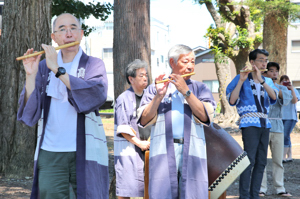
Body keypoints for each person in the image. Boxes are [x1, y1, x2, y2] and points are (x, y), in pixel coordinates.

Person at [17, 13, 109, 199]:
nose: (69, 33)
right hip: (50, 151)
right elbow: (30, 112)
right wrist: (30, 75)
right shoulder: (43, 67)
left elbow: (96, 95)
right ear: (54, 37)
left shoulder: (93, 64)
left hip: (86, 150)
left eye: (73, 28)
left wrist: (57, 70)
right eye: (62, 29)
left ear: (81, 33)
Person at [138, 44, 216, 198]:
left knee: (193, 193)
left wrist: (186, 92)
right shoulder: (155, 88)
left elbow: (206, 117)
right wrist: (159, 96)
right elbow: (144, 119)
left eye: (192, 62)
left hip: (192, 148)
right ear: (172, 63)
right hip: (163, 150)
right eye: (185, 61)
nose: (190, 66)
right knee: (163, 192)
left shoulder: (200, 88)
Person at [226, 49, 277, 199]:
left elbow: (273, 97)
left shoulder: (267, 80)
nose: (264, 63)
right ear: (252, 62)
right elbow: (232, 100)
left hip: (265, 123)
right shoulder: (241, 77)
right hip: (249, 123)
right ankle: (244, 195)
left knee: (261, 161)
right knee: (249, 160)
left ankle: (254, 195)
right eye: (261, 60)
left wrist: (262, 80)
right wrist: (241, 80)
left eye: (266, 60)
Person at [114, 59, 151, 198]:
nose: (145, 78)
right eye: (141, 75)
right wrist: (139, 143)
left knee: (149, 188)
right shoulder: (123, 98)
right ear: (131, 79)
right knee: (125, 188)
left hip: (148, 147)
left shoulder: (150, 95)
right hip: (129, 148)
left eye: (146, 74)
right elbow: (123, 128)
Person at [259, 62, 292, 197]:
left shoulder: (281, 88)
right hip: (262, 126)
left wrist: (272, 86)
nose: (274, 74)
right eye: (271, 71)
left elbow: (286, 100)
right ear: (264, 73)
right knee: (262, 160)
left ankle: (280, 188)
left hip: (278, 127)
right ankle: (261, 188)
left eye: (276, 71)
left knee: (278, 160)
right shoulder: (260, 88)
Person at [279, 75, 300, 163]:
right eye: (283, 81)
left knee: (285, 135)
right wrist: (280, 87)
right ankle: (290, 156)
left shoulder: (294, 90)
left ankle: (283, 156)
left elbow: (294, 101)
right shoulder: (279, 90)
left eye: (287, 81)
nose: (285, 83)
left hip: (291, 117)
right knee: (285, 136)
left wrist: (291, 89)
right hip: (280, 117)